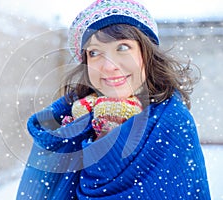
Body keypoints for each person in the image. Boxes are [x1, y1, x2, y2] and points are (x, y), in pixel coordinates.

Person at [16, 0, 211, 199]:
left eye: (123, 48)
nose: (109, 66)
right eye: (95, 52)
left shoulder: (171, 123)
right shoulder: (64, 126)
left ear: (146, 53)